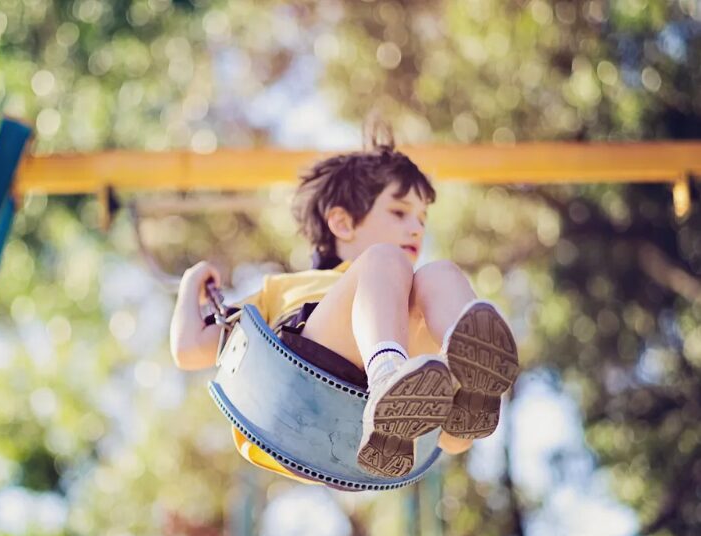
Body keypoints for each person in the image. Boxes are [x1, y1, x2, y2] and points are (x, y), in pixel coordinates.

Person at [169, 124, 520, 481]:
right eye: (399, 212)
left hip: (372, 436)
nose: (416, 228)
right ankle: (388, 379)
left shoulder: (407, 299)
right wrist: (191, 285)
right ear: (342, 223)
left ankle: (466, 401)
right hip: (301, 388)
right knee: (385, 260)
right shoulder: (283, 287)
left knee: (440, 274)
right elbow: (189, 350)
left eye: (421, 219)